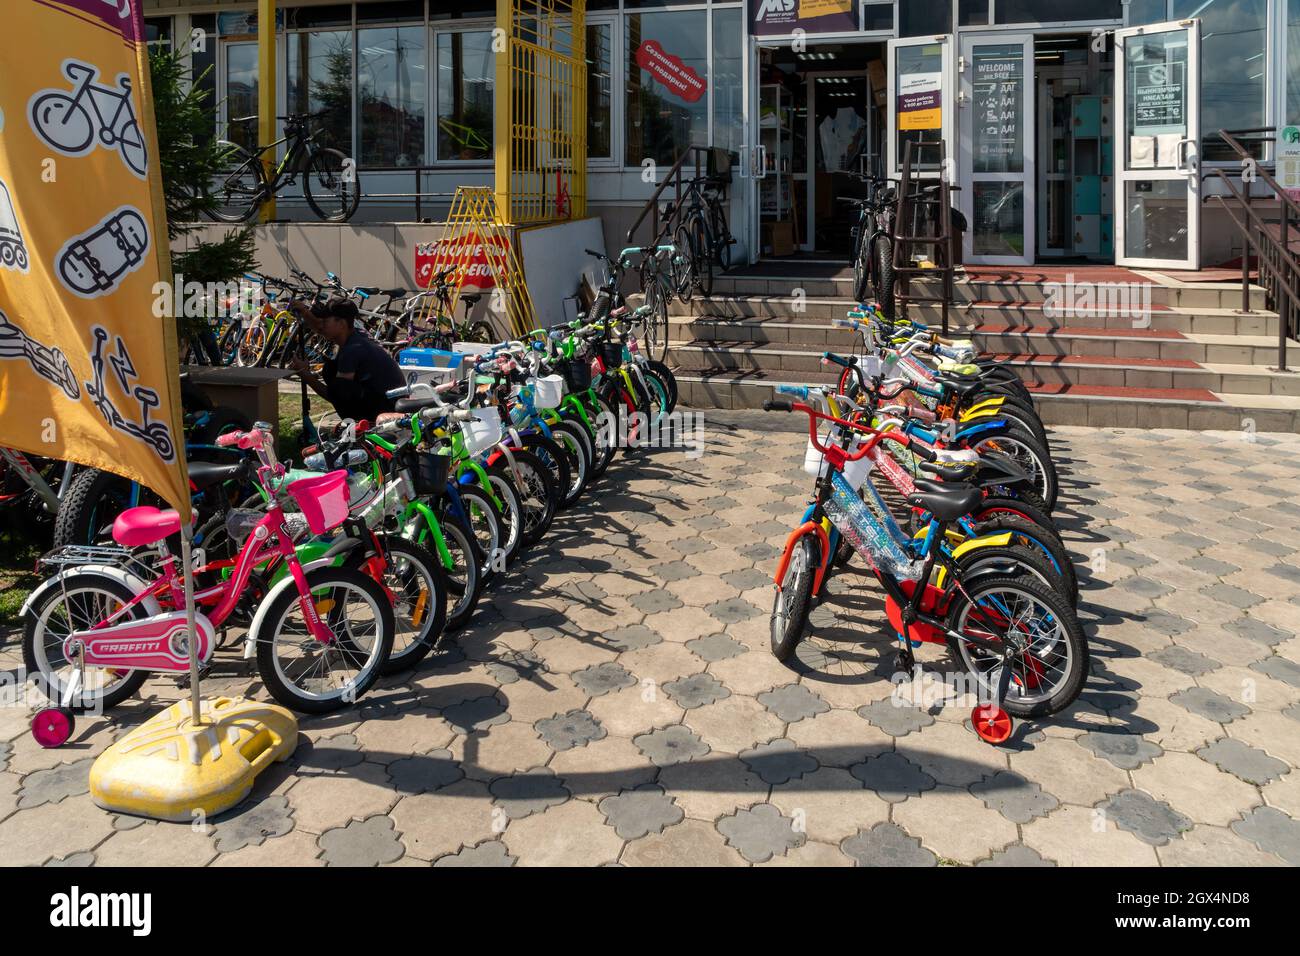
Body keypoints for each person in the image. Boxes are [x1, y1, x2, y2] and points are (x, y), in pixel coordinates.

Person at [288, 295, 406, 423]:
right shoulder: (356, 335)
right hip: (388, 401)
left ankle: (362, 427)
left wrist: (305, 375)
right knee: (332, 370)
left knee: (331, 374)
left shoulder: (352, 350)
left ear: (342, 323)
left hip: (386, 411)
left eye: (325, 321)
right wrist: (305, 312)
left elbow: (338, 398)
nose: (321, 326)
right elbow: (319, 327)